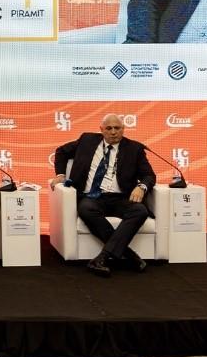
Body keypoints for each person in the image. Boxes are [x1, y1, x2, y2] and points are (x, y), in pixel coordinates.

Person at [50, 114, 156, 277]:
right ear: (101, 129)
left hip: (121, 198)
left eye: (117, 128)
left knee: (140, 211)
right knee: (86, 209)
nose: (113, 132)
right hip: (92, 197)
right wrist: (60, 174)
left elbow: (149, 175)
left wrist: (141, 187)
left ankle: (102, 258)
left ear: (123, 129)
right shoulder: (87, 140)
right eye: (109, 128)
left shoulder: (134, 149)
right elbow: (61, 151)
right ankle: (128, 255)